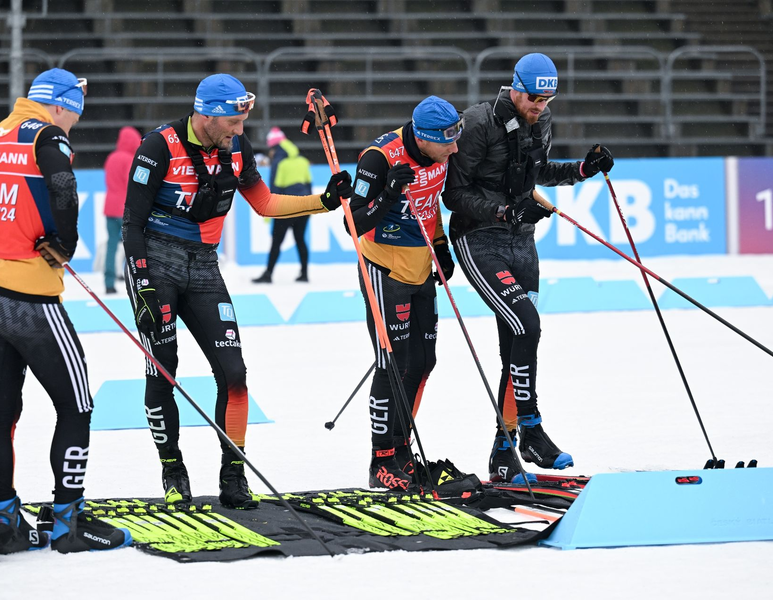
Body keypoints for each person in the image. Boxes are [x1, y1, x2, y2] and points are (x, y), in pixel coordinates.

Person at [122, 74, 351, 508]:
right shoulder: (158, 147)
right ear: (207, 115)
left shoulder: (237, 149)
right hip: (158, 261)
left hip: (205, 264)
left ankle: (233, 474)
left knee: (235, 375)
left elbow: (264, 203)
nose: (241, 130)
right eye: (233, 121)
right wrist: (144, 282)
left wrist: (321, 201)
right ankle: (173, 469)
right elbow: (131, 223)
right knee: (163, 369)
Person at [0, 68, 131, 553]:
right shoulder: (48, 136)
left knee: (1, 412)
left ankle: (6, 519)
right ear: (61, 106)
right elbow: (65, 191)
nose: (72, 128)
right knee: (77, 405)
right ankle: (67, 522)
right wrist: (64, 243)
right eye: (74, 117)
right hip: (33, 298)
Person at [443, 53, 614, 483]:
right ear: (516, 87)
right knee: (528, 324)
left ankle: (504, 452)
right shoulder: (479, 123)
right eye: (536, 98)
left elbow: (535, 174)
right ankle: (532, 429)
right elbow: (454, 194)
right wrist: (504, 212)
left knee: (516, 344)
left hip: (522, 244)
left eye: (548, 99)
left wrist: (580, 169)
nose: (541, 106)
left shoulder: (542, 121)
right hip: (479, 239)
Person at [346, 96, 460, 490]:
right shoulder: (379, 158)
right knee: (391, 363)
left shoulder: (440, 156)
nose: (455, 147)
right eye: (447, 139)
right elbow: (353, 222)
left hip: (421, 267)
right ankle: (381, 460)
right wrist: (388, 195)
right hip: (384, 269)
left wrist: (442, 247)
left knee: (423, 362)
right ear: (424, 137)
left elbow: (430, 209)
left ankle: (401, 447)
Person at [252, 127, 313, 283]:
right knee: (300, 239)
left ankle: (268, 274)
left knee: (277, 241)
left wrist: (269, 210)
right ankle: (304, 273)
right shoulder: (303, 161)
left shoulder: (280, 163)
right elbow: (309, 185)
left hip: (285, 206)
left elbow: (275, 188)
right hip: (304, 206)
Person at [103, 126, 141, 294]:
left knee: (111, 245)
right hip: (126, 207)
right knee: (132, 244)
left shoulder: (111, 157)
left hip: (110, 206)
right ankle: (129, 276)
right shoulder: (130, 159)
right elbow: (132, 185)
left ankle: (109, 281)